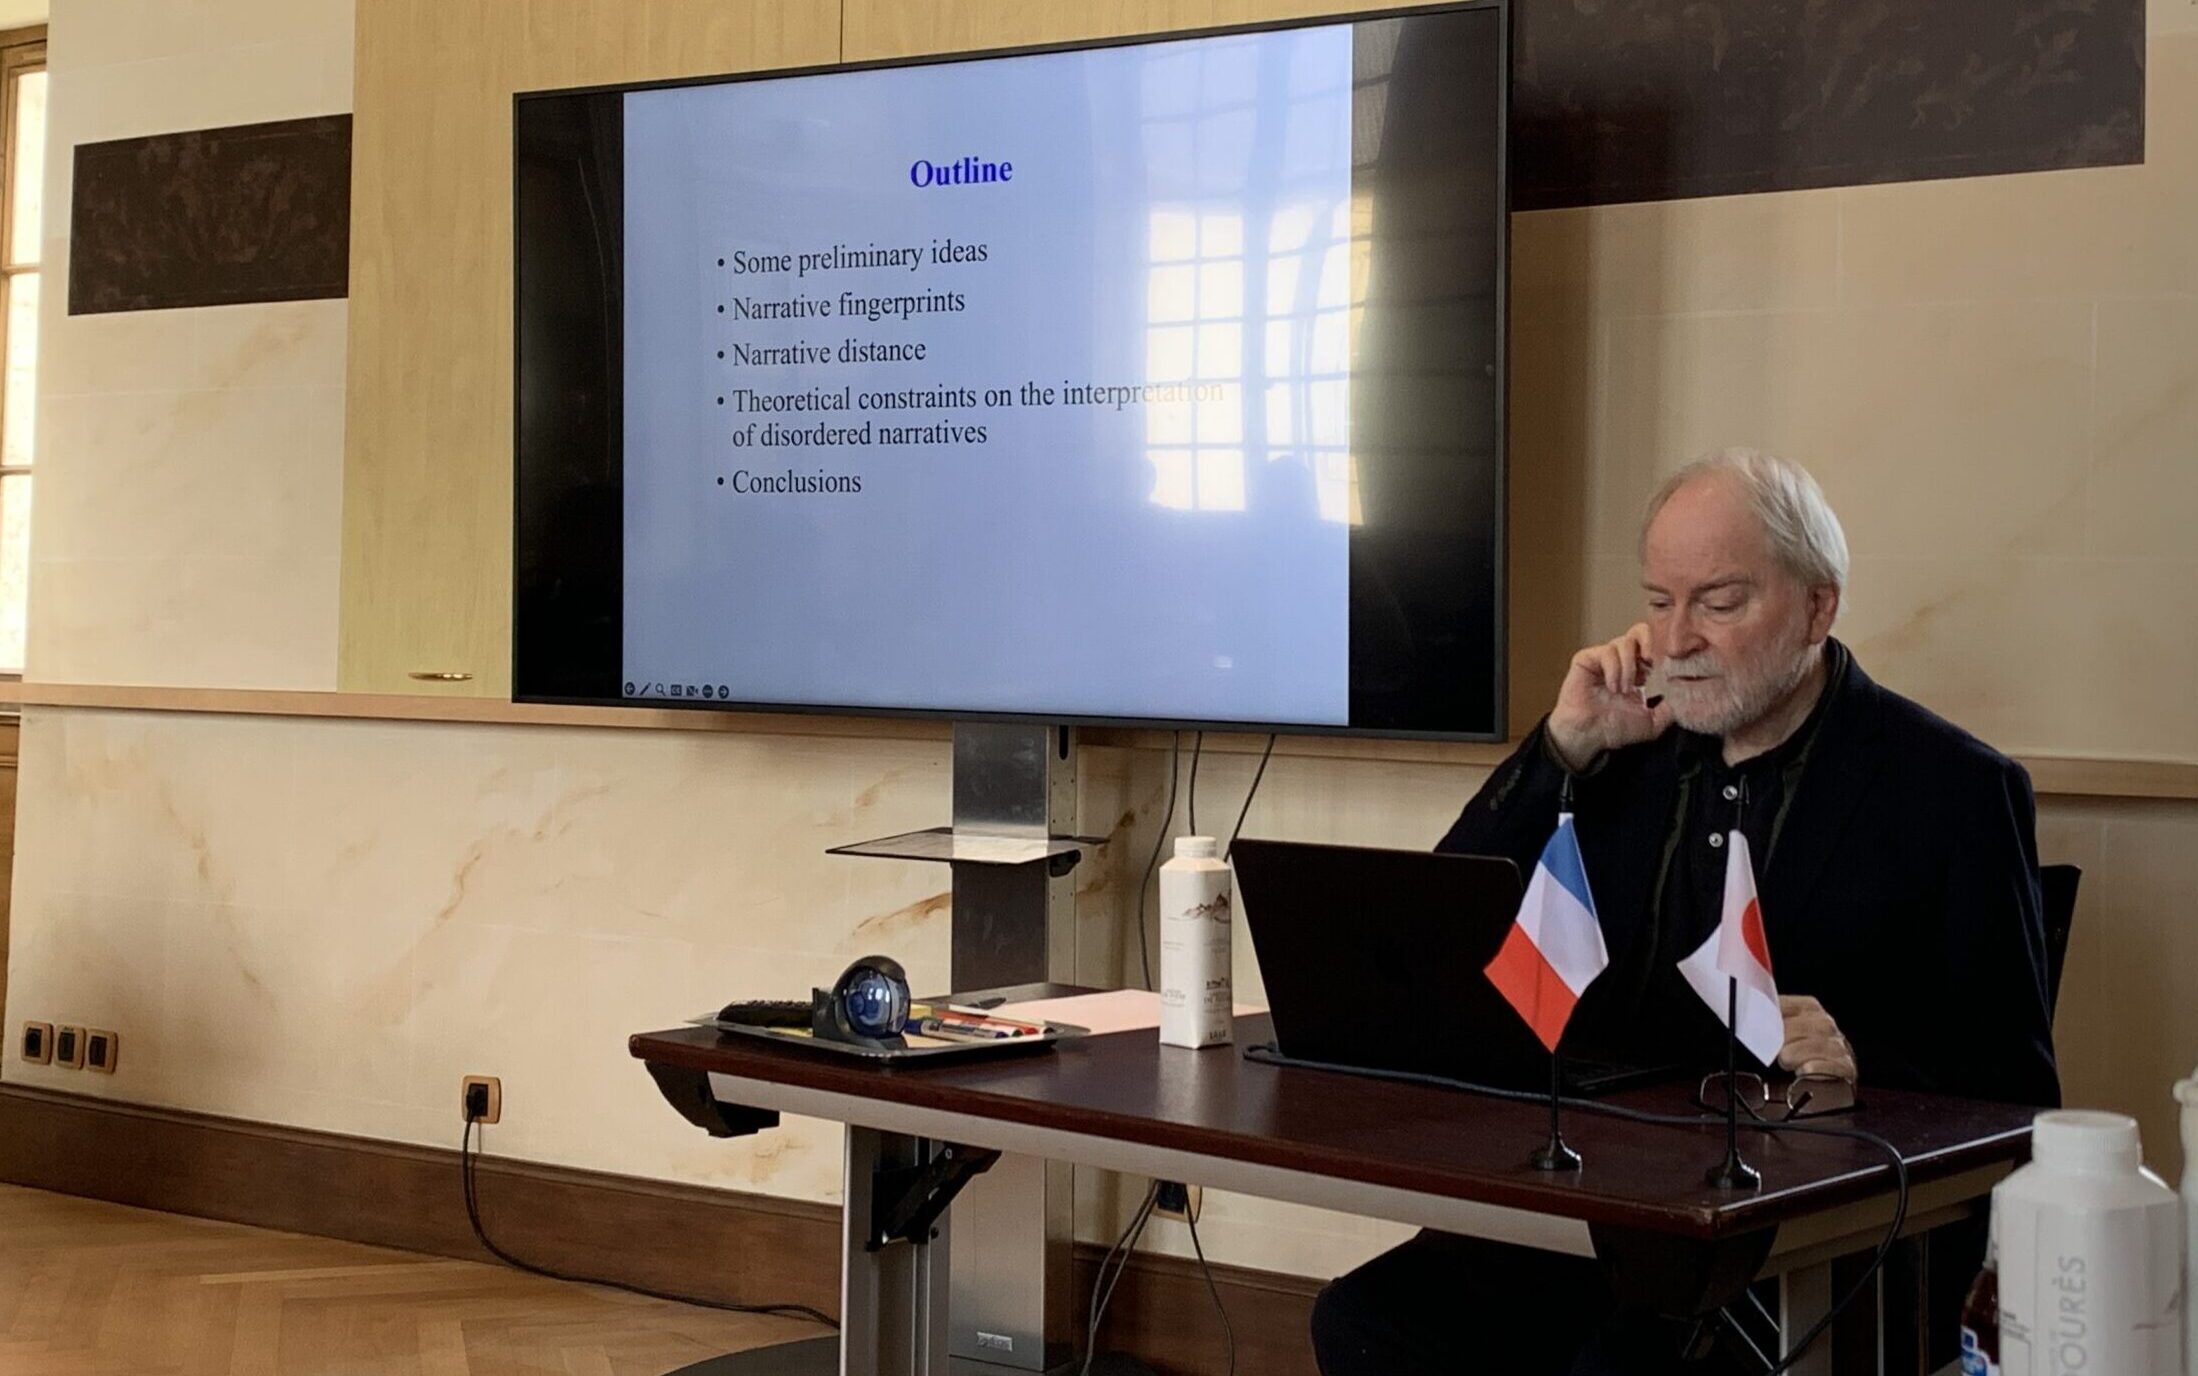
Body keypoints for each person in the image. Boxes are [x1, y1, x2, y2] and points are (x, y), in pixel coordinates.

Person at [1309, 448, 2059, 1376]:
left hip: (1806, 1237)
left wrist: (1863, 1058)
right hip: (1602, 1208)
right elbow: (1439, 933)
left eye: (1719, 602)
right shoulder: (1622, 753)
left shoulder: (1953, 790)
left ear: (1817, 608)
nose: (1675, 640)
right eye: (1660, 602)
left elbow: (2019, 1089)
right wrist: (1562, 749)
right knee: (1368, 1321)